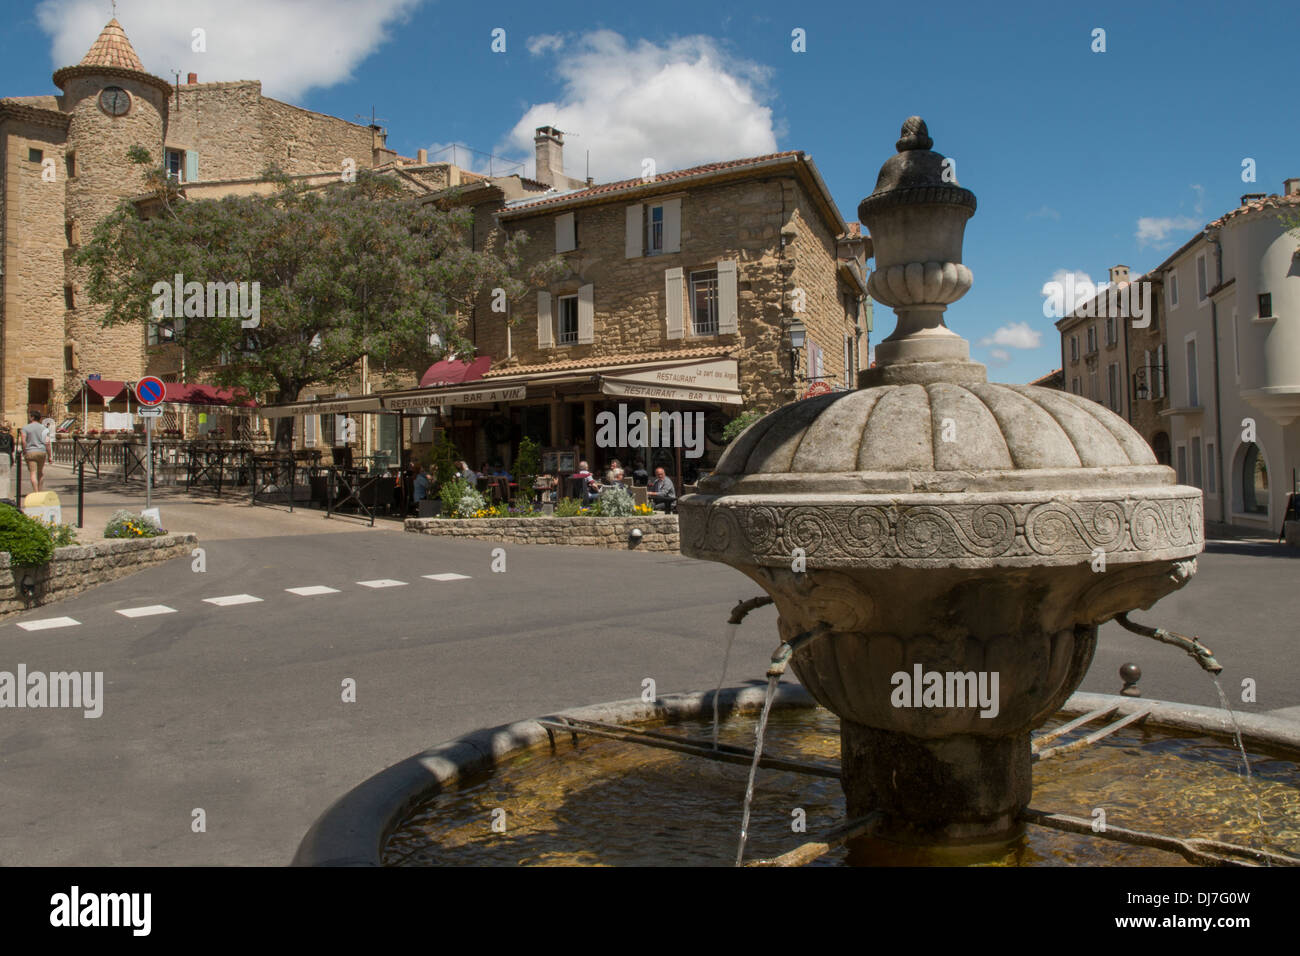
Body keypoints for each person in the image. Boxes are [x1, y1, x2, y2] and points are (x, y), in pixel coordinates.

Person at [20, 410, 47, 493]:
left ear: (32, 417)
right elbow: (48, 442)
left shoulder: (25, 428)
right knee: (40, 472)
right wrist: (49, 455)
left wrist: (24, 451)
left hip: (31, 451)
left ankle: (35, 492)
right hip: (42, 451)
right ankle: (40, 490)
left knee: (33, 473)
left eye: (30, 416)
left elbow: (23, 441)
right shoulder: (44, 428)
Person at [0, 422, 12, 501]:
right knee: (6, 476)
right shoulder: (10, 437)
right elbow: (12, 448)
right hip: (7, 456)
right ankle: (4, 495)